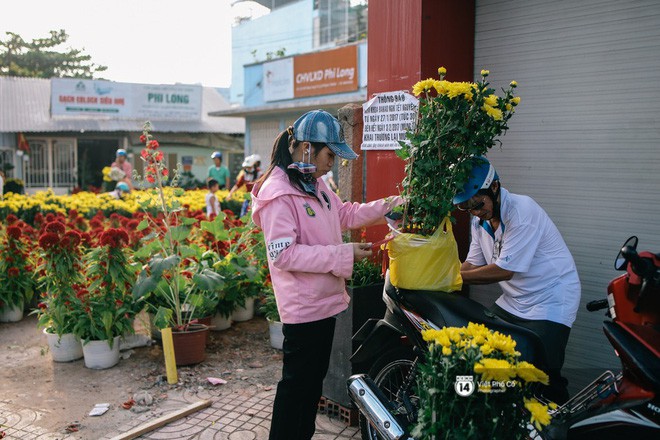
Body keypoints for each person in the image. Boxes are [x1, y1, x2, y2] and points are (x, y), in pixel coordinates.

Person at [250, 109, 402, 440]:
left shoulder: (313, 184)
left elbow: (343, 213)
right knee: (297, 390)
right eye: (330, 154)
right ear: (307, 148)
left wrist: (389, 205)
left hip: (322, 301)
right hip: (303, 308)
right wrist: (343, 254)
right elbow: (283, 254)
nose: (332, 163)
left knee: (308, 387)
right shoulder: (278, 193)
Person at [454, 156, 580, 404]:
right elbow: (471, 264)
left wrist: (452, 278)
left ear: (495, 188)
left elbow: (503, 271)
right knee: (483, 349)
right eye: (466, 208)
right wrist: (445, 276)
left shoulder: (523, 212)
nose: (475, 212)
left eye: (478, 204)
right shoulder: (479, 222)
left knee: (543, 374)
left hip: (551, 299)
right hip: (514, 300)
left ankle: (561, 424)